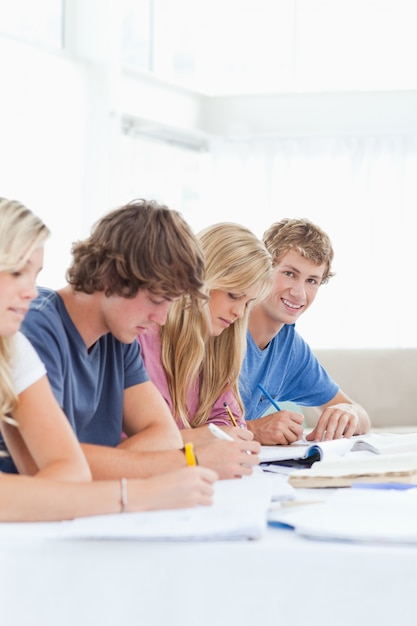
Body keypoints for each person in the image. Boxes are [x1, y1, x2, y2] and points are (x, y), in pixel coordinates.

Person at [0, 198, 217, 522]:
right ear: (109, 278)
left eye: (35, 275)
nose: (31, 292)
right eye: (17, 272)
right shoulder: (31, 326)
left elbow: (70, 473)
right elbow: (40, 472)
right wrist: (174, 466)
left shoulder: (12, 349)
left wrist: (103, 482)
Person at [139, 222, 273, 452]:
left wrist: (217, 436)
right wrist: (202, 438)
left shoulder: (217, 346)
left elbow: (230, 422)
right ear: (200, 281)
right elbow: (130, 442)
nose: (239, 313)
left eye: (248, 303)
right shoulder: (141, 337)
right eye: (233, 295)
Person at [239, 217, 371, 444]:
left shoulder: (290, 348)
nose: (300, 293)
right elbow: (181, 426)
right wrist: (252, 429)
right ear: (263, 268)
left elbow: (361, 416)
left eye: (312, 280)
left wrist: (349, 413)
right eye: (289, 273)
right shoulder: (222, 325)